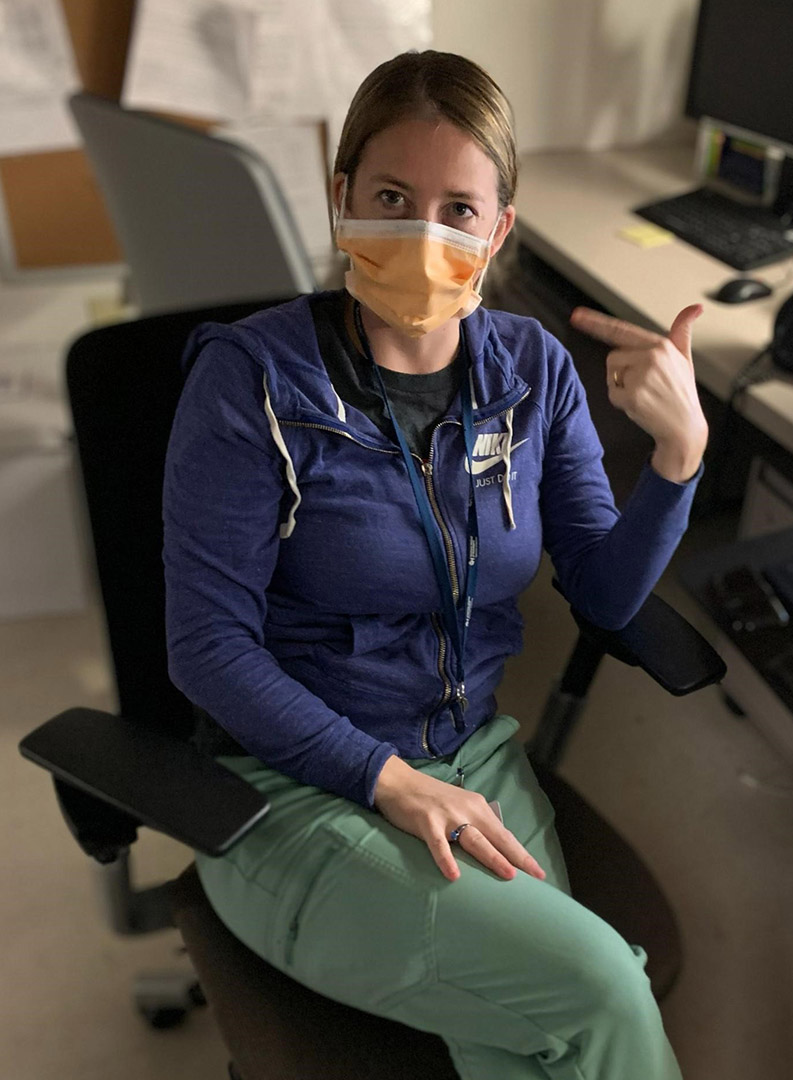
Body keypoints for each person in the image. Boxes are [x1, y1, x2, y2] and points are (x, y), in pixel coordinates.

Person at [164, 50, 707, 1080]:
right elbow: (204, 649)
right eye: (392, 197)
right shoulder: (252, 380)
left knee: (538, 1036)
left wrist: (678, 462)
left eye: (459, 208)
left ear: (499, 229)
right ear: (342, 201)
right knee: (597, 993)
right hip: (288, 795)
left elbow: (600, 591)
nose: (424, 233)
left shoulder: (533, 370)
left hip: (474, 766)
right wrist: (384, 779)